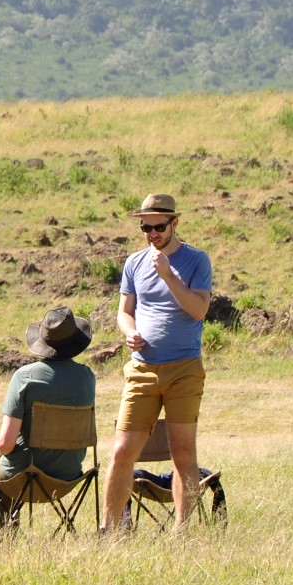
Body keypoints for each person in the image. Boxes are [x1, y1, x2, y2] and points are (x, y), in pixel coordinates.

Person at [101, 193, 213, 531]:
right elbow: (124, 312)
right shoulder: (134, 263)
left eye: (158, 227)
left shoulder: (196, 261)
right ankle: (110, 529)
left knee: (182, 451)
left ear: (174, 223)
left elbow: (198, 310)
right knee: (122, 451)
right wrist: (129, 332)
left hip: (184, 369)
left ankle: (182, 530)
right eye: (146, 227)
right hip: (142, 368)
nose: (152, 234)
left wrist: (168, 275)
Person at [0, 308, 98, 527]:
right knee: (10, 454)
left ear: (43, 341)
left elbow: (6, 445)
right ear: (75, 341)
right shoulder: (87, 377)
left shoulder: (25, 377)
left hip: (27, 478)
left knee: (2, 460)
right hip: (69, 477)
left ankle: (6, 538)